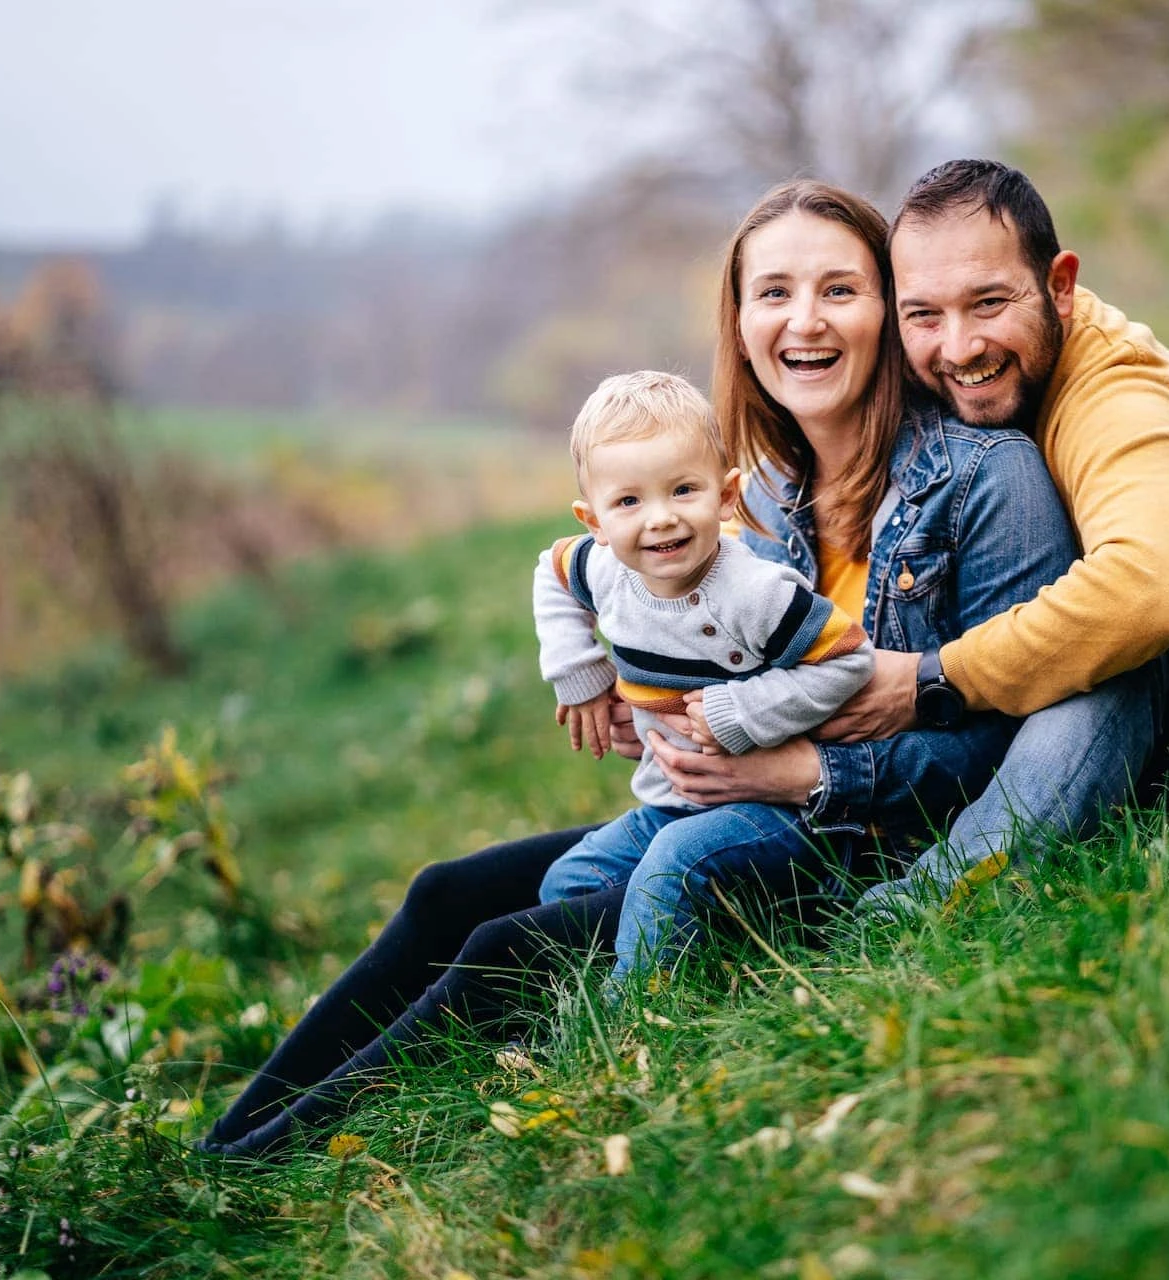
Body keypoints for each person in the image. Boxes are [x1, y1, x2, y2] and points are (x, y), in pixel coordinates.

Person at [194, 179, 1077, 1158]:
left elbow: (1021, 749)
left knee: (509, 945)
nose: (805, 321)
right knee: (449, 892)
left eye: (840, 289)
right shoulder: (757, 492)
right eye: (773, 292)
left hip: (870, 845)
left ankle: (259, 1172)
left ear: (889, 310)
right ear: (739, 324)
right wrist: (627, 691)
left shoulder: (989, 479)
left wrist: (805, 773)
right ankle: (220, 1148)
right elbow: (637, 602)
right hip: (721, 811)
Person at [812, 159, 1169, 910]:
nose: (958, 347)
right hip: (1071, 722)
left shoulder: (1120, 387)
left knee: (1123, 647)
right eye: (924, 315)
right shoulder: (937, 372)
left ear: (1059, 285)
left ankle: (931, 903)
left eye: (989, 303)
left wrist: (931, 680)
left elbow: (1148, 597)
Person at [531, 369, 874, 978]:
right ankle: (685, 956)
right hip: (669, 803)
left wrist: (740, 712)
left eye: (684, 490)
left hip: (776, 809)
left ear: (726, 494)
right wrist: (581, 674)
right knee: (570, 880)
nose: (660, 518)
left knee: (673, 862)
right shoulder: (605, 569)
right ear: (594, 522)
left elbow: (850, 658)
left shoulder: (754, 593)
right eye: (629, 502)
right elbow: (551, 572)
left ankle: (640, 1009)